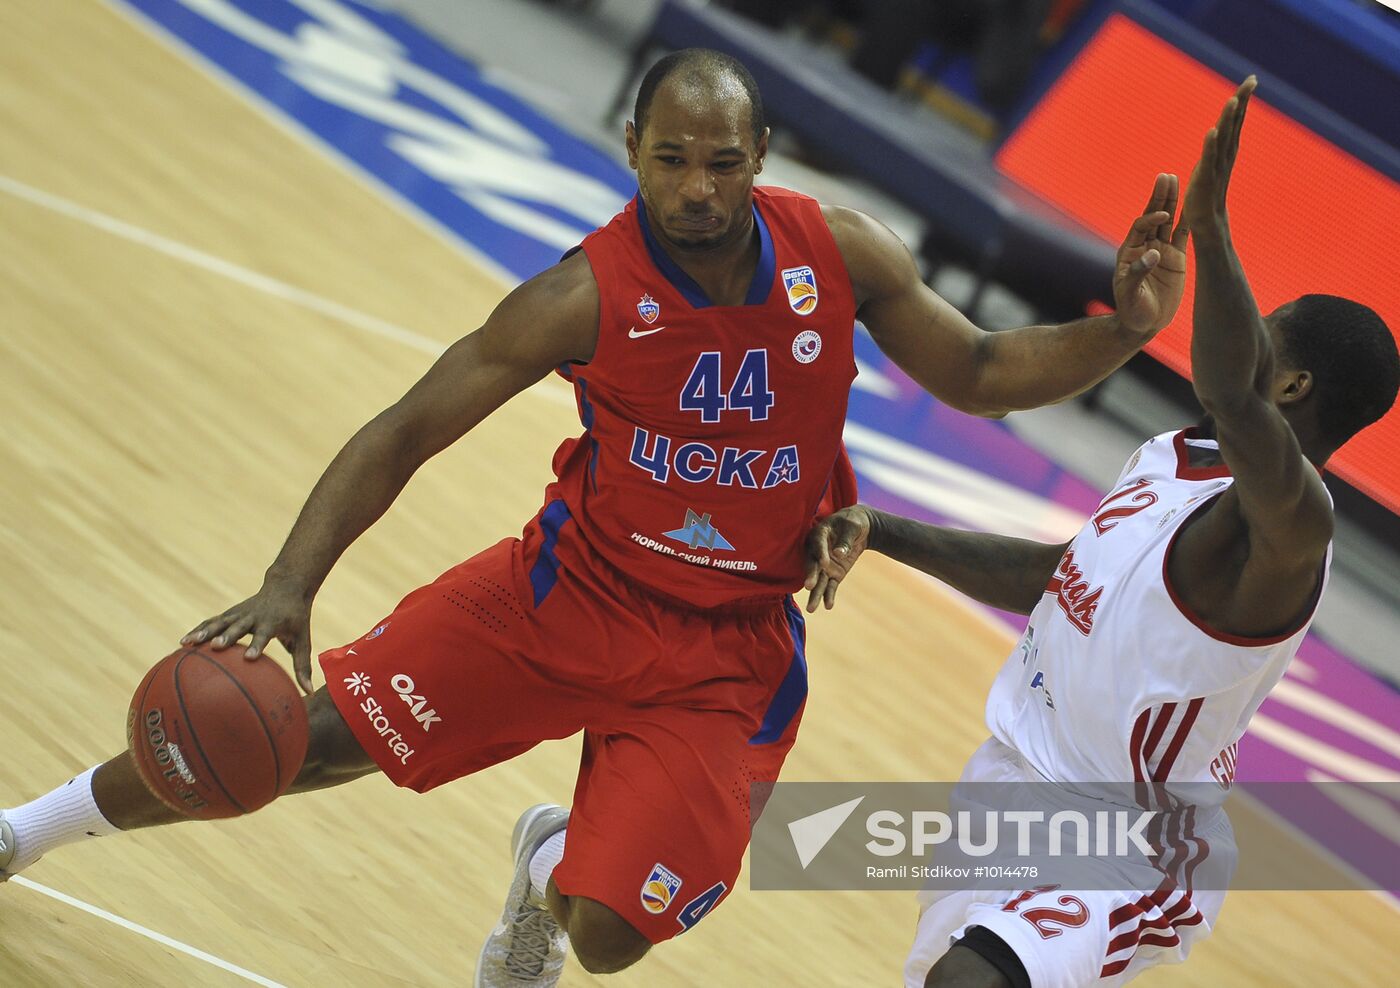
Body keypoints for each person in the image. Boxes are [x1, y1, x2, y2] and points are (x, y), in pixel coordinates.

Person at [1, 49, 1190, 986]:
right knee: (280, 744)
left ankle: (545, 865)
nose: (695, 187)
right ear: (631, 149)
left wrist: (1118, 332)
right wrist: (289, 581)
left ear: (760, 156)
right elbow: (407, 426)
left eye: (721, 162)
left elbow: (981, 367)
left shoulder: (836, 254)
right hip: (564, 597)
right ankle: (24, 828)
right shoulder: (584, 293)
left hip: (726, 659)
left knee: (607, 934)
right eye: (670, 158)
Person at [804, 78, 1400, 988]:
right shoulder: (1172, 455)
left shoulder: (1291, 530)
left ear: (1291, 388)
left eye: (1263, 335)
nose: (1234, 339)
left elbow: (1229, 388)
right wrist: (884, 530)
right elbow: (1062, 579)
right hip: (1008, 778)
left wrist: (1214, 223)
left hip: (1129, 842)